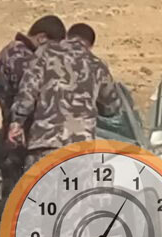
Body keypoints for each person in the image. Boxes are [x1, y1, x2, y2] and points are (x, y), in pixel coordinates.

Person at [0, 14, 67, 237]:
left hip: (15, 140)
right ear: (42, 38)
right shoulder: (23, 58)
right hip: (21, 142)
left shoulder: (12, 52)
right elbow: (29, 97)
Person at [12, 22, 120, 171]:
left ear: (67, 37)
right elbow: (112, 107)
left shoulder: (45, 54)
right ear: (90, 45)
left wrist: (17, 122)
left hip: (45, 144)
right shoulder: (97, 65)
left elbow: (27, 91)